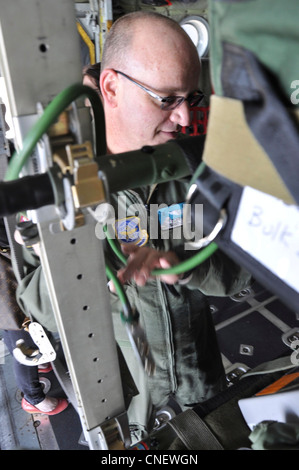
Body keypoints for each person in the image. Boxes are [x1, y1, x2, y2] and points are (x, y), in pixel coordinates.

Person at [16, 11, 251, 444]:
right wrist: (83, 275)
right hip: (123, 406)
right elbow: (31, 303)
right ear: (110, 87)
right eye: (166, 99)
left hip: (203, 386)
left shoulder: (190, 170)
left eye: (190, 99)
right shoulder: (54, 188)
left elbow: (239, 276)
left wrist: (186, 266)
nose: (183, 120)